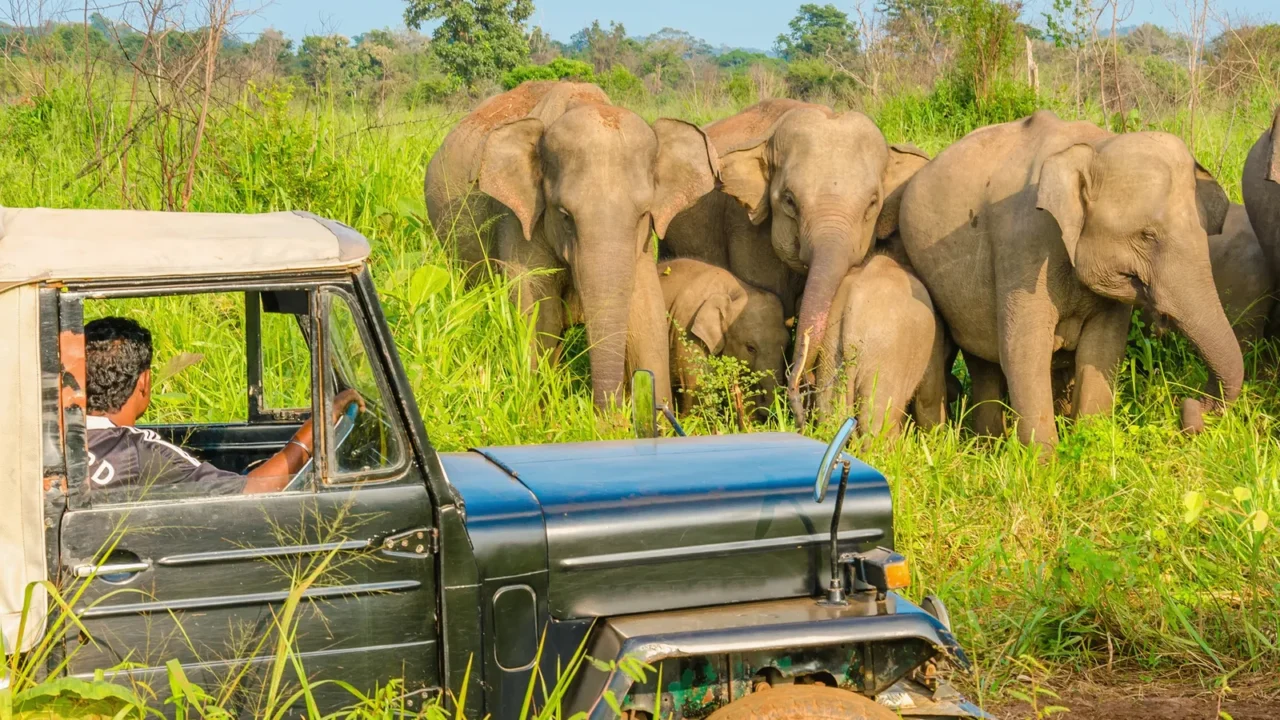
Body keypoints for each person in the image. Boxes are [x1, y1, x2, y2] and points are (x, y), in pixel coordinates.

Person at [84, 316, 359, 496]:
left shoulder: (53, 439)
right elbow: (252, 492)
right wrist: (318, 426)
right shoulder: (141, 451)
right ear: (144, 381)